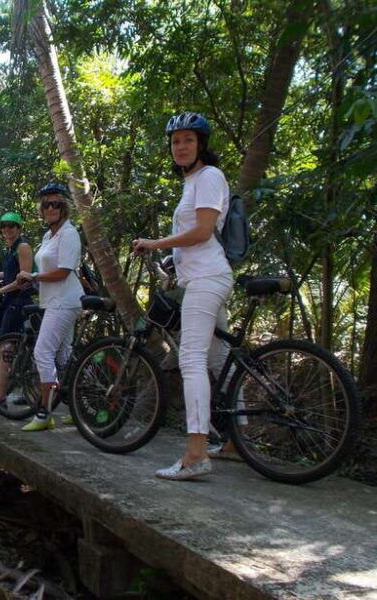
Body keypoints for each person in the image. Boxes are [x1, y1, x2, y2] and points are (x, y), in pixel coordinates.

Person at [132, 111, 232, 481]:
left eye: (188, 140)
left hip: (208, 279)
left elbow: (203, 231)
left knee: (190, 359)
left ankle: (195, 453)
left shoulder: (209, 176)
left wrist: (156, 243)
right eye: (175, 142)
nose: (180, 147)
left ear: (201, 144)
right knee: (220, 360)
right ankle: (236, 442)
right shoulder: (193, 182)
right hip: (202, 277)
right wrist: (173, 264)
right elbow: (193, 237)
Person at [17, 182, 83, 431]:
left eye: (56, 204)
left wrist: (33, 277)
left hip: (65, 300)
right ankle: (77, 409)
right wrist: (28, 280)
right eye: (46, 204)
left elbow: (64, 271)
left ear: (64, 207)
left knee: (42, 352)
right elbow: (44, 270)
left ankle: (44, 414)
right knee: (63, 356)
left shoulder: (69, 233)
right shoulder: (48, 235)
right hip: (52, 300)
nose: (50, 208)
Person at [0, 212, 35, 410]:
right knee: (19, 347)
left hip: (19, 302)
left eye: (11, 226)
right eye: (3, 226)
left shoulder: (22, 247)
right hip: (11, 301)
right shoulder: (11, 249)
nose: (6, 229)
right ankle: (29, 393)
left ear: (19, 228)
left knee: (5, 348)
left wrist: (0, 289)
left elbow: (24, 278)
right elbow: (13, 272)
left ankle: (0, 397)